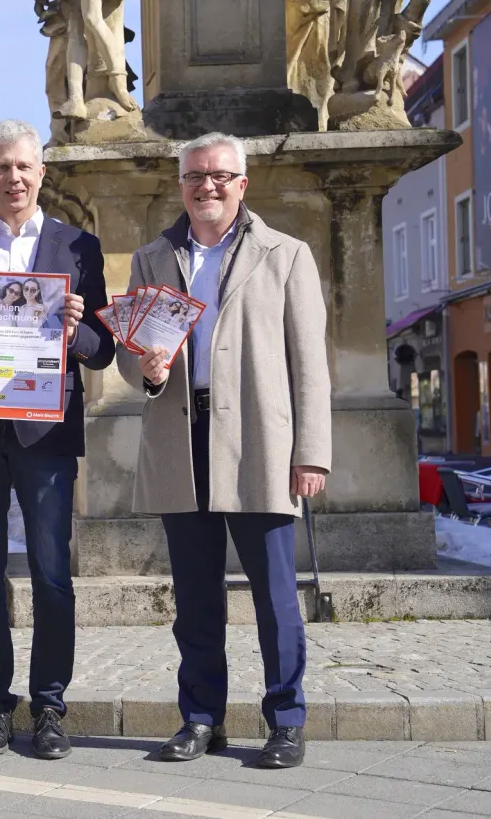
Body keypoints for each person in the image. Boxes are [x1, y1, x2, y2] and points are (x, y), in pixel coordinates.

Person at [118, 132, 331, 770]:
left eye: (218, 175)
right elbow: (134, 363)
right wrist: (149, 371)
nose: (205, 186)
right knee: (196, 599)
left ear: (243, 183)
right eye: (193, 177)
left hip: (262, 441)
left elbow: (310, 365)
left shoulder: (286, 255)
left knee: (274, 595)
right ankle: (202, 719)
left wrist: (311, 451)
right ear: (181, 184)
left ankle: (285, 721)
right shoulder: (152, 257)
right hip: (182, 440)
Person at [0, 119, 113, 760]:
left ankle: (51, 704)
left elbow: (103, 350)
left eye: (24, 167)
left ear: (41, 174)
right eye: (1, 167)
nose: (14, 177)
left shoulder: (80, 250)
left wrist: (75, 332)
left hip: (46, 434)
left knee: (52, 573)